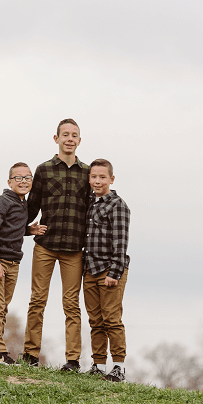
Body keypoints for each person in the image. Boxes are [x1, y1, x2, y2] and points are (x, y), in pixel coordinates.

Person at [21, 118, 90, 371]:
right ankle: (30, 355)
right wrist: (24, 229)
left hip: (74, 249)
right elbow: (32, 206)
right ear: (56, 139)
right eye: (65, 135)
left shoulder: (87, 172)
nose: (70, 139)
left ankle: (72, 360)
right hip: (46, 246)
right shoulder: (44, 169)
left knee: (71, 304)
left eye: (74, 135)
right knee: (37, 300)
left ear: (79, 141)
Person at [0, 162, 46, 365]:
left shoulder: (22, 204)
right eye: (18, 178)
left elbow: (12, 228)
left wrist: (29, 230)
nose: (23, 181)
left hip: (14, 262)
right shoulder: (1, 202)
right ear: (9, 182)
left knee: (3, 307)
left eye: (27, 178)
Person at [82, 158, 130, 382]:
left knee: (112, 318)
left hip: (109, 269)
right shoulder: (91, 203)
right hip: (90, 269)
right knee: (96, 320)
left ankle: (118, 367)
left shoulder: (117, 205)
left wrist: (114, 272)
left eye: (102, 177)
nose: (97, 181)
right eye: (93, 177)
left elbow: (120, 243)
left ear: (111, 179)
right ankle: (98, 365)